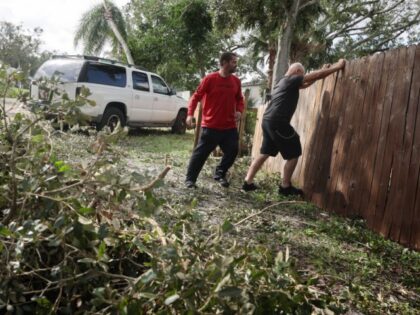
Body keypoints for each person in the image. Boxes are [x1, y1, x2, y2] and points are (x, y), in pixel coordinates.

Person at [242, 59, 346, 196]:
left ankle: (247, 182)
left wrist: (322, 70)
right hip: (279, 122)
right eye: (301, 74)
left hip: (268, 121)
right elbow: (315, 76)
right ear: (297, 72)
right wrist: (337, 67)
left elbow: (306, 84)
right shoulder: (292, 79)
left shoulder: (282, 82)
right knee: (294, 153)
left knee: (265, 153)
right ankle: (285, 187)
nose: (301, 78)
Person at [185, 52, 244, 188]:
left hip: (229, 126)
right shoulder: (210, 79)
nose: (236, 65)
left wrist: (239, 111)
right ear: (224, 62)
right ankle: (190, 180)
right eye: (233, 62)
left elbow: (239, 99)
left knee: (233, 150)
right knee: (200, 155)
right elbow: (196, 96)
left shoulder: (236, 81)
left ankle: (220, 173)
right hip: (211, 126)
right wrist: (189, 114)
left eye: (236, 62)